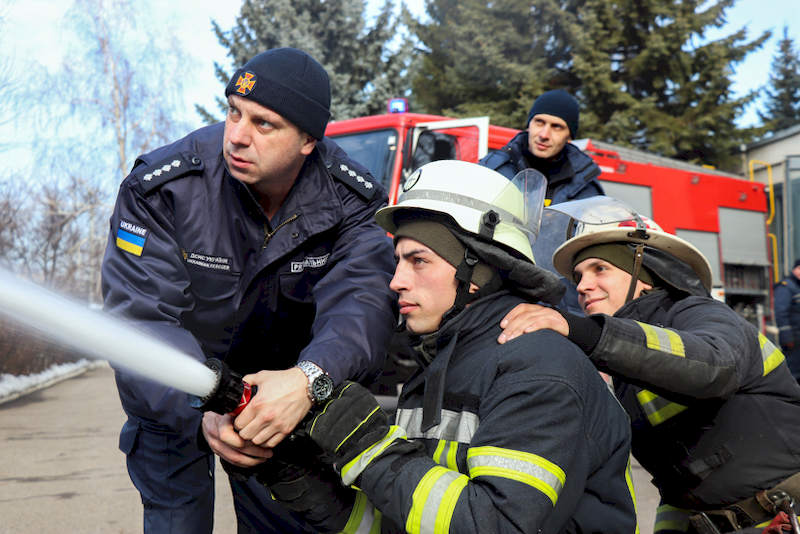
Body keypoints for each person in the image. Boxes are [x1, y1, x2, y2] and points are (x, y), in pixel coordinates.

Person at [232, 161, 639, 533]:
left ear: (477, 270)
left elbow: (499, 525)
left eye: (418, 260)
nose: (396, 282)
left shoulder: (539, 367)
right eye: (397, 262)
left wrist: (367, 446)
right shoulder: (435, 367)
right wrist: (301, 475)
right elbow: (402, 521)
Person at [101, 48, 397, 533]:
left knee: (285, 524)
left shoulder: (351, 199)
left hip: (279, 398)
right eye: (233, 112)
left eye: (264, 124)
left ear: (307, 140)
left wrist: (308, 380)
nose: (236, 135)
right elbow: (140, 317)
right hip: (176, 397)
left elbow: (363, 304)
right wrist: (200, 404)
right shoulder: (162, 189)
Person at [498, 197, 800, 534]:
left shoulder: (700, 314)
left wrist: (583, 331)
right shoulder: (623, 362)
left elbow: (715, 367)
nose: (582, 286)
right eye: (579, 276)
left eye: (600, 269)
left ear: (645, 275)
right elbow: (677, 485)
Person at [479, 89, 604, 207]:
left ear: (569, 136)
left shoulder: (585, 188)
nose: (544, 135)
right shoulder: (492, 169)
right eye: (539, 122)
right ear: (529, 125)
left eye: (557, 127)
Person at [774, 259, 800, 383]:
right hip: (793, 340)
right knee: (792, 373)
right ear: (794, 269)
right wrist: (787, 338)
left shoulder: (797, 287)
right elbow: (781, 313)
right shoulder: (786, 286)